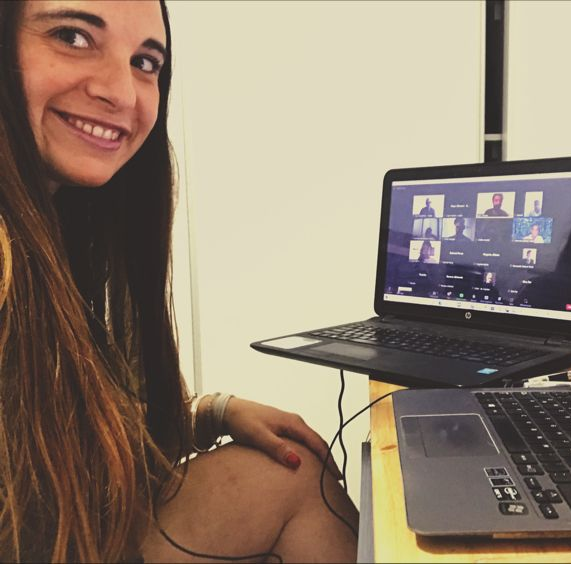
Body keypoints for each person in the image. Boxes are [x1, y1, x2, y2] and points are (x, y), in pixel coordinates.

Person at [0, 2, 357, 562]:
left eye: (145, 62)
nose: (122, 92)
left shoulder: (60, 225)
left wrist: (206, 413)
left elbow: (51, 433)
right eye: (72, 36)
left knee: (296, 473)